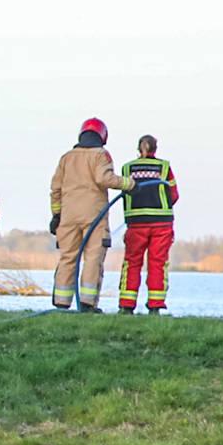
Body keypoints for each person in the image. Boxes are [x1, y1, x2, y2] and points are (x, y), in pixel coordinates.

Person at [49, 118, 133, 312]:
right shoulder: (101, 155)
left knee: (68, 257)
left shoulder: (66, 157)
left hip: (68, 216)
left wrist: (56, 215)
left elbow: (55, 189)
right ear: (102, 136)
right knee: (93, 258)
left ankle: (61, 303)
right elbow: (104, 178)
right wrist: (130, 184)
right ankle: (87, 304)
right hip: (94, 216)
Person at [119, 135, 179, 313]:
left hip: (136, 223)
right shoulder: (164, 167)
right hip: (162, 223)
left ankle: (126, 306)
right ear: (155, 149)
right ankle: (155, 306)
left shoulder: (127, 168)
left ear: (138, 149)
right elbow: (174, 195)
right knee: (158, 263)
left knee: (132, 262)